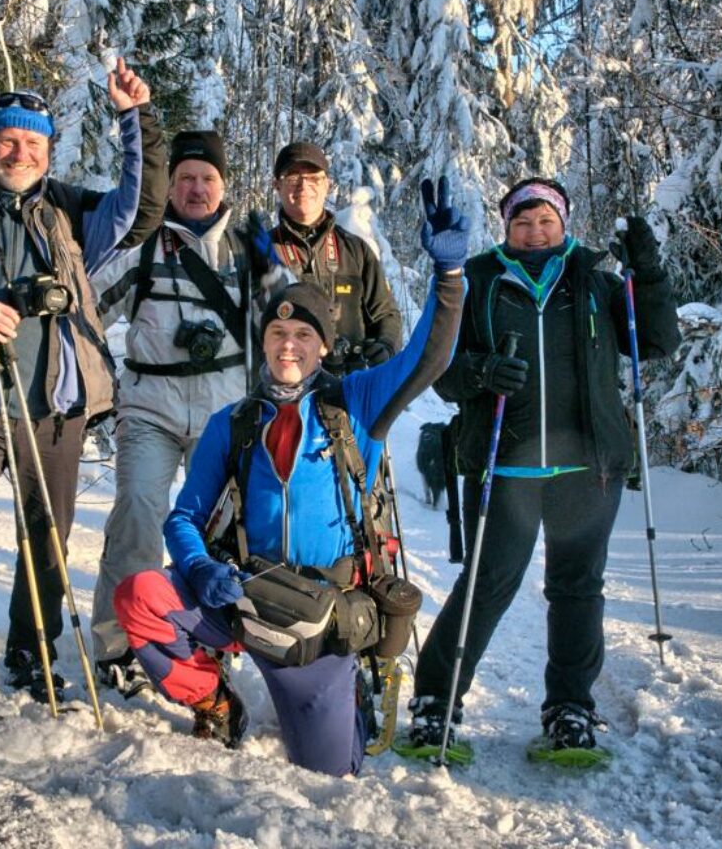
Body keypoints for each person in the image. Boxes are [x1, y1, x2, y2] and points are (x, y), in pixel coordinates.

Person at [112, 179, 468, 776]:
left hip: (320, 622)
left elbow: (428, 359)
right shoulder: (237, 421)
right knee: (140, 597)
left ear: (323, 347)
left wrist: (449, 277)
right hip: (244, 598)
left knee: (329, 773)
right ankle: (214, 700)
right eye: (277, 333)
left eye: (304, 334)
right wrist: (199, 567)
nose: (288, 345)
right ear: (262, 342)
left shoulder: (357, 405)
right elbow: (185, 517)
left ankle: (346, 694)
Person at [0, 59, 166, 707]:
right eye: (8, 140)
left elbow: (139, 206)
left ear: (49, 150)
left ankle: (32, 651)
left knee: (47, 538)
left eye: (32, 142)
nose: (18, 152)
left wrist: (135, 120)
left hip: (54, 406)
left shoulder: (71, 212)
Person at [409, 177, 681, 753]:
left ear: (564, 225)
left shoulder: (595, 282)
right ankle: (437, 700)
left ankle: (569, 710)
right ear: (506, 227)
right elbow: (442, 370)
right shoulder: (480, 282)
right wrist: (481, 372)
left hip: (588, 471)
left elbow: (655, 341)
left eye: (546, 222)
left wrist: (648, 273)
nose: (535, 233)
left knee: (578, 589)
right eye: (522, 223)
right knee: (485, 587)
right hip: (505, 469)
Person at [89, 130, 286, 696]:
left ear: (224, 185)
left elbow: (297, 324)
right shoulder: (144, 253)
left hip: (224, 415)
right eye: (186, 179)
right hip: (150, 410)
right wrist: (98, 381)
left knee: (216, 537)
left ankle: (208, 641)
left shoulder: (246, 254)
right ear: (172, 186)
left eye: (208, 179)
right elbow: (83, 313)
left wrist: (273, 272)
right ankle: (118, 644)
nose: (197, 189)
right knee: (137, 518)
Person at [267, 141, 402, 373]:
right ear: (276, 186)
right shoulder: (259, 252)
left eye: (313, 178)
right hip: (284, 392)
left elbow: (386, 315)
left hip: (349, 388)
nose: (303, 186)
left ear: (327, 185)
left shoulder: (356, 251)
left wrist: (386, 346)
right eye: (292, 178)